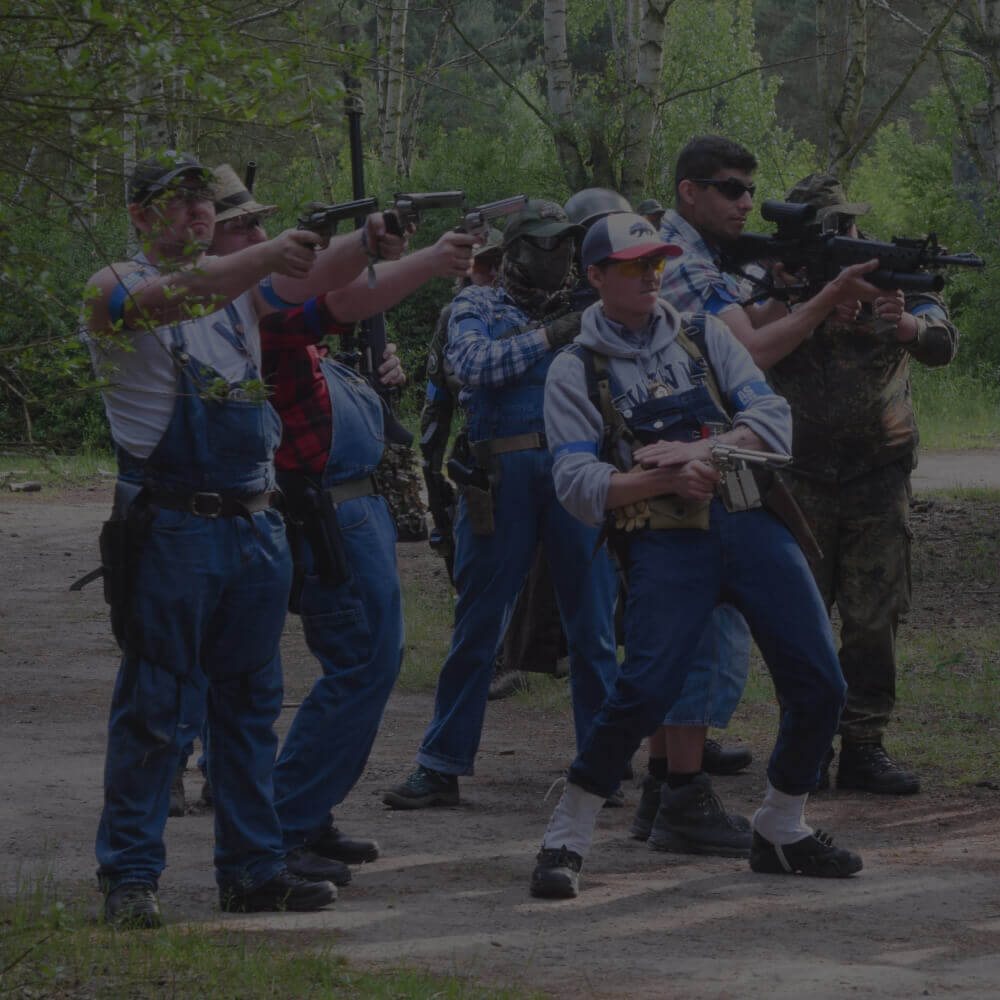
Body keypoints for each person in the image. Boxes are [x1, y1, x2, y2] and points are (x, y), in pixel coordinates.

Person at [85, 151, 404, 927]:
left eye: (204, 201)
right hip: (172, 524)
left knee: (251, 705)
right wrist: (269, 254)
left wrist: (367, 242)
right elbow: (166, 299)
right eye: (178, 200)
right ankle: (130, 875)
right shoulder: (114, 284)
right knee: (157, 704)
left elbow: (314, 280)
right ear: (139, 215)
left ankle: (254, 869)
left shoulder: (243, 295)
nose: (198, 211)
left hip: (255, 519)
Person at [530, 212, 864, 899]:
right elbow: (577, 484)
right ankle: (568, 835)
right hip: (665, 540)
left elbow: (772, 421)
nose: (651, 275)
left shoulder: (706, 334)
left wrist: (701, 452)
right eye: (633, 265)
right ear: (596, 276)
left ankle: (781, 827)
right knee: (645, 689)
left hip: (749, 522)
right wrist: (662, 480)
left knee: (821, 682)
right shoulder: (574, 368)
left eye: (656, 262)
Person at [206, 165, 479, 884]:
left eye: (259, 222)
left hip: (349, 503)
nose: (259, 235)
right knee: (361, 663)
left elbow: (339, 300)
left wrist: (401, 261)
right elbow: (324, 295)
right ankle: (289, 817)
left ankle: (305, 810)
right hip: (321, 506)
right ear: (206, 237)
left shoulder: (248, 299)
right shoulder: (233, 303)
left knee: (363, 661)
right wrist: (392, 248)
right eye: (241, 226)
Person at [628, 136, 883, 850]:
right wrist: (825, 298)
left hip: (698, 457)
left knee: (694, 629)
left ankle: (664, 790)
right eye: (731, 188)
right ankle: (681, 798)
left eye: (749, 188)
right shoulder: (678, 262)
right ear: (689, 191)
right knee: (705, 634)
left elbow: (750, 324)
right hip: (693, 462)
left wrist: (799, 297)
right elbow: (749, 349)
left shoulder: (702, 258)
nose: (746, 202)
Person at [383, 200, 620, 809]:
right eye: (543, 244)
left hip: (578, 479)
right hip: (499, 482)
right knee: (479, 629)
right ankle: (440, 764)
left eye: (565, 243)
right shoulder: (477, 305)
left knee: (594, 631)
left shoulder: (591, 310)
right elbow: (473, 365)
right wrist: (552, 336)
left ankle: (602, 767)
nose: (557, 254)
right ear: (512, 253)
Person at [767, 174, 959, 794]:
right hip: (799, 478)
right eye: (831, 225)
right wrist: (812, 304)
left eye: (846, 222)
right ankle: (806, 745)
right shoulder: (776, 280)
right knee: (800, 621)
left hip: (877, 476)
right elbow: (744, 343)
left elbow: (941, 342)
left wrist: (904, 326)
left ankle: (864, 745)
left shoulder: (894, 273)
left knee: (874, 619)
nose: (844, 233)